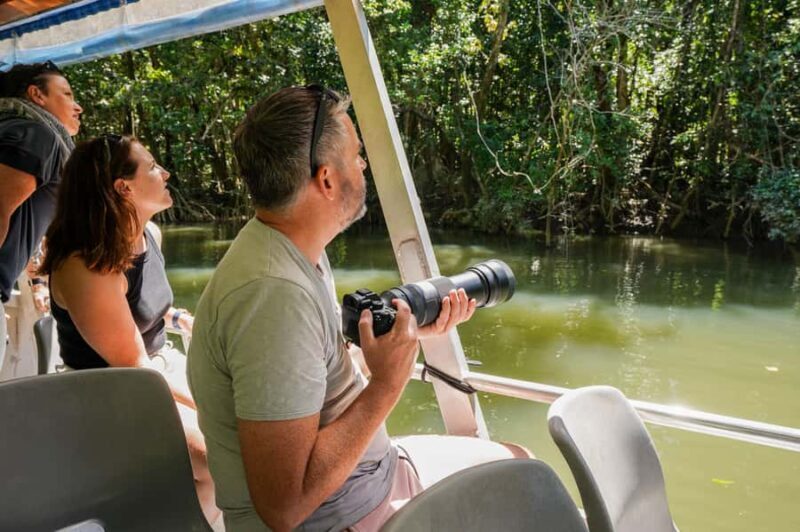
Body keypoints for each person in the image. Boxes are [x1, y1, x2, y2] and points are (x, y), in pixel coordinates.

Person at [187, 86, 521, 532]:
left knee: (519, 459)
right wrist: (388, 382)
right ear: (325, 179)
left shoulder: (292, 249)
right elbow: (283, 508)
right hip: (341, 516)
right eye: (356, 154)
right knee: (524, 491)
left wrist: (403, 341)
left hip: (369, 480)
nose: (362, 165)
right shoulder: (272, 295)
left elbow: (313, 373)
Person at [39, 134, 219, 524]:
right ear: (124, 188)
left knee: (239, 440)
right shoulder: (85, 268)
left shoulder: (148, 235)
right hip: (111, 395)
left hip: (156, 371)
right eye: (153, 165)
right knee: (224, 457)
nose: (165, 171)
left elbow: (147, 311)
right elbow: (134, 367)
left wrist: (178, 320)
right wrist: (214, 411)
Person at [0, 61, 81, 370]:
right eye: (67, 94)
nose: (78, 106)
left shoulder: (12, 126)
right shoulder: (36, 133)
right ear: (37, 95)